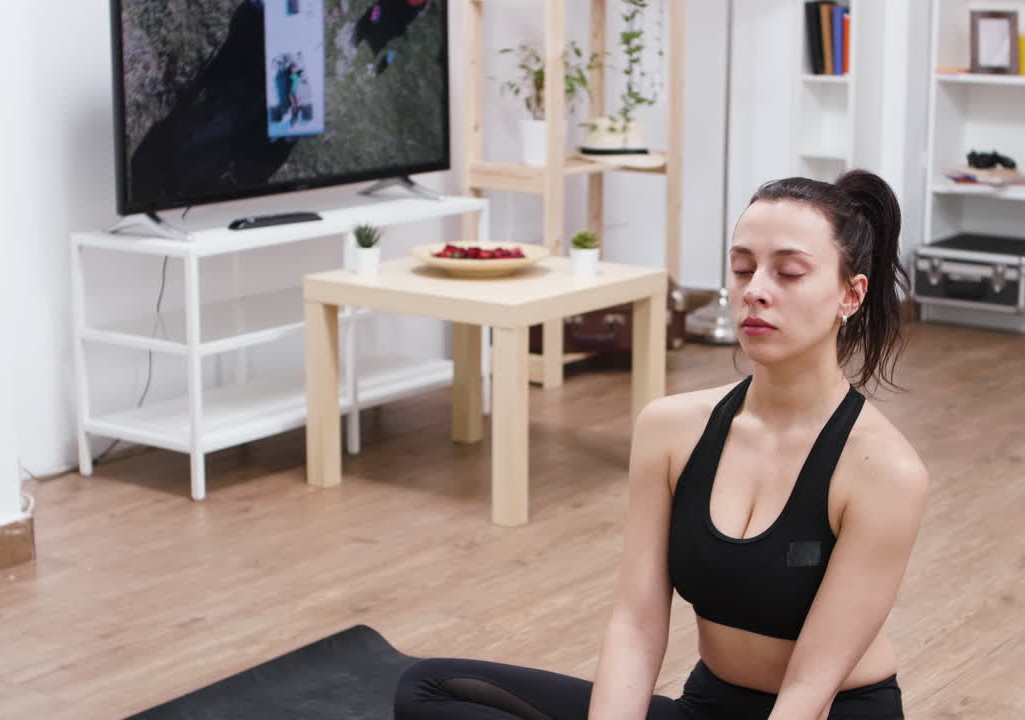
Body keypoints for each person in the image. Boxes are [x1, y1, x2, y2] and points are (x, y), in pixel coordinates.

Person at [393, 170, 929, 720]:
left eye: (788, 272)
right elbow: (636, 621)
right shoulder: (672, 429)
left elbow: (809, 690)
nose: (755, 290)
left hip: (822, 712)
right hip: (709, 704)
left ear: (850, 294)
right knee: (431, 689)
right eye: (742, 268)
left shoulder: (884, 470)